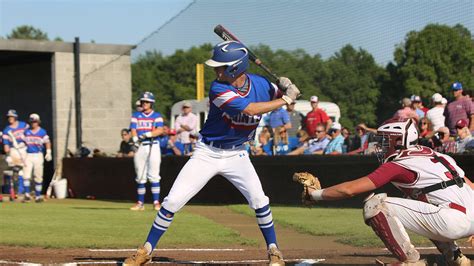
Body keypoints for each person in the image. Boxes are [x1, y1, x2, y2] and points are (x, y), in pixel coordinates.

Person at [124, 40, 300, 266]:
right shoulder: (219, 88)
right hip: (207, 153)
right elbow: (250, 109)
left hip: (238, 155)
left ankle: (274, 250)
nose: (216, 70)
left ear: (235, 67)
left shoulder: (262, 84)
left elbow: (287, 104)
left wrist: (289, 90)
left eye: (221, 66)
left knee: (259, 200)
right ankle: (146, 250)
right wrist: (285, 98)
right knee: (172, 201)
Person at [298, 118, 474, 265]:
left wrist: (315, 194)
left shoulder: (398, 163)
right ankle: (456, 258)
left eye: (386, 140)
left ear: (399, 141)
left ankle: (410, 261)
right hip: (469, 219)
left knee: (375, 204)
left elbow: (349, 190)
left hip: (453, 222)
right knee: (421, 201)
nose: (381, 145)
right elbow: (470, 186)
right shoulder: (440, 156)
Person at [129, 91, 164, 211]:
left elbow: (160, 130)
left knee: (154, 174)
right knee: (140, 175)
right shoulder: (136, 115)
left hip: (153, 145)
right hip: (140, 146)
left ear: (151, 103)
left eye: (147, 102)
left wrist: (147, 134)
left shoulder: (156, 116)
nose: (144, 103)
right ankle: (140, 203)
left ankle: (156, 202)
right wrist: (135, 139)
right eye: (143, 101)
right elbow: (133, 129)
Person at [22, 114, 52, 202]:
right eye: (32, 122)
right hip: (28, 154)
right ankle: (27, 195)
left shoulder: (42, 132)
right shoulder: (26, 132)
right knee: (26, 175)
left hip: (38, 155)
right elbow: (23, 142)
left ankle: (38, 196)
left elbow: (47, 142)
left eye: (35, 122)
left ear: (38, 122)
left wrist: (48, 151)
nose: (33, 124)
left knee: (38, 176)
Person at [2, 109, 29, 197]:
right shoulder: (7, 130)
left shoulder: (23, 125)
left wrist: (24, 141)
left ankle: (25, 191)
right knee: (16, 170)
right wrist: (8, 151)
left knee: (26, 171)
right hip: (14, 150)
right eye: (9, 117)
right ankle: (17, 191)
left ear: (15, 117)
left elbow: (30, 134)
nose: (10, 118)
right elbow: (6, 147)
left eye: (12, 117)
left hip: (24, 149)